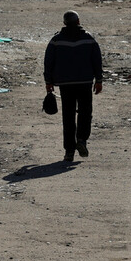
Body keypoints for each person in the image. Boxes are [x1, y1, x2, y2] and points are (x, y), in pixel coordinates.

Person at [44, 10, 103, 162]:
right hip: (84, 82)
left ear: (64, 23)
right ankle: (82, 140)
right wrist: (99, 80)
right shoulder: (88, 39)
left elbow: (48, 61)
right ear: (78, 22)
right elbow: (97, 60)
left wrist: (48, 82)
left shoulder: (56, 40)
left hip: (65, 84)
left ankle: (69, 151)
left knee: (68, 117)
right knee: (85, 112)